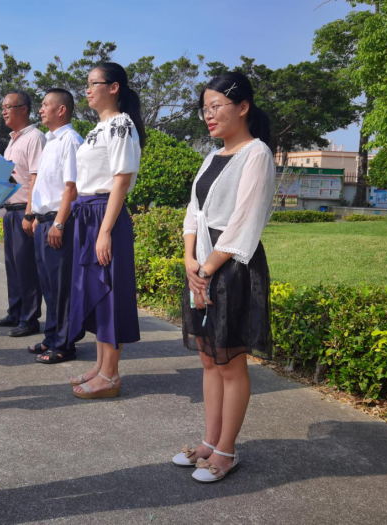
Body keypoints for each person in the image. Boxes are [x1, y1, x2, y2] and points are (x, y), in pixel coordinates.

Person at [172, 72, 275, 483]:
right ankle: (208, 442)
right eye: (205, 109)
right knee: (208, 359)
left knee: (230, 362)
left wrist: (207, 269)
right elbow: (194, 212)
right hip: (200, 264)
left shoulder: (257, 154)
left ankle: (226, 451)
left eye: (216, 107)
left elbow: (245, 220)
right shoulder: (212, 156)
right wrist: (188, 260)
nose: (209, 115)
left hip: (231, 268)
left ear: (243, 107)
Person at [69, 63, 144, 399]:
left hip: (104, 215)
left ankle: (110, 375)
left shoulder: (121, 125)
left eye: (93, 83)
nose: (87, 89)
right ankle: (100, 366)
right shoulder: (98, 128)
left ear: (113, 88)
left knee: (109, 292)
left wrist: (104, 231)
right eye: (86, 83)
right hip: (89, 214)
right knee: (95, 292)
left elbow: (121, 180)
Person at [29, 88, 84, 364]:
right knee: (48, 285)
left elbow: (71, 187)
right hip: (45, 221)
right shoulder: (50, 141)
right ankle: (51, 337)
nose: (40, 110)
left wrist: (59, 224)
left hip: (59, 221)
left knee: (62, 287)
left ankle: (64, 344)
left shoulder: (70, 140)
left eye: (45, 104)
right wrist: (37, 216)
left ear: (61, 110)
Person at [0, 90, 46, 337]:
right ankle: (15, 312)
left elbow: (36, 178)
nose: (3, 112)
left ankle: (29, 318)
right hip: (10, 210)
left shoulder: (35, 138)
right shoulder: (12, 140)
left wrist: (30, 214)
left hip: (25, 209)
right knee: (13, 265)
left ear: (23, 109)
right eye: (2, 107)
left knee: (27, 267)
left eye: (8, 107)